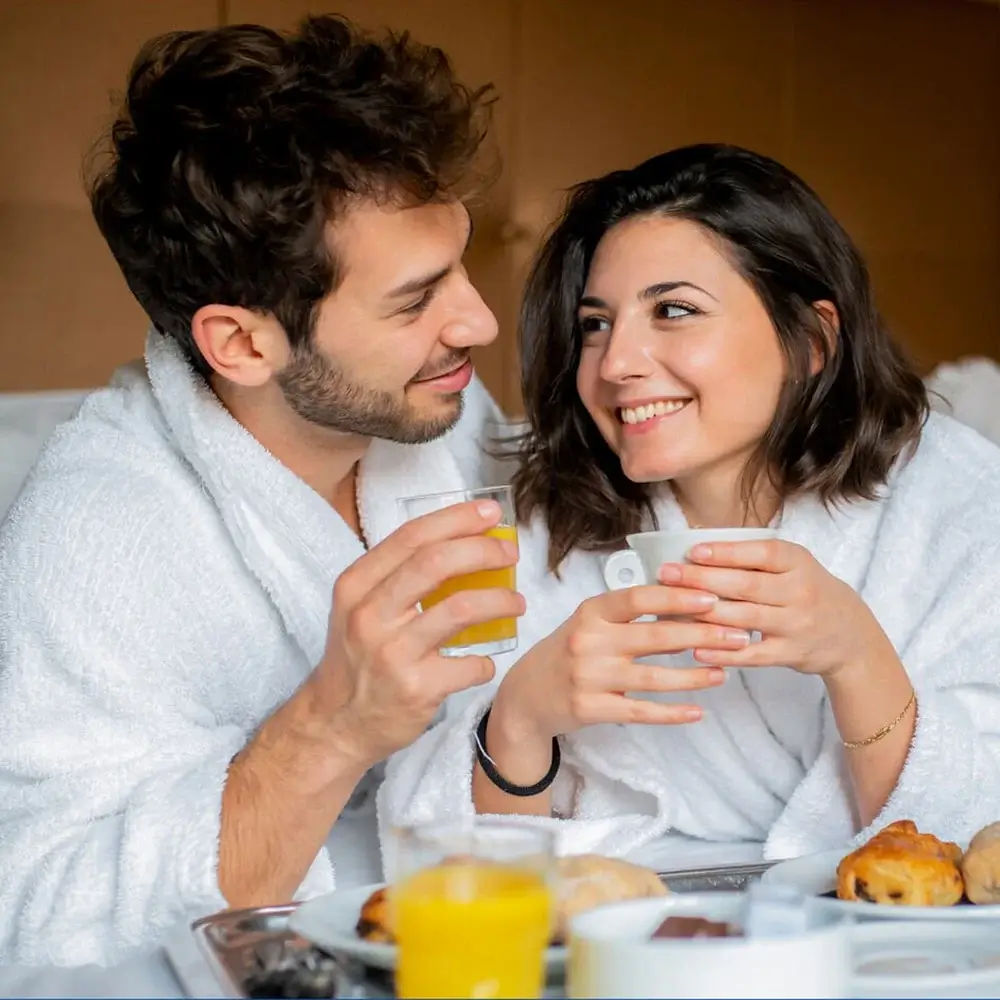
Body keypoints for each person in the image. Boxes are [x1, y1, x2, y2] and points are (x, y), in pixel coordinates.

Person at [0, 15, 530, 967]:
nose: (480, 322)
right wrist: (332, 724)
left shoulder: (427, 414)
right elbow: (40, 921)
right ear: (241, 344)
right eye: (415, 299)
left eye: (460, 265)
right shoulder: (96, 539)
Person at [382, 143, 1000, 865]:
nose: (615, 364)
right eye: (595, 323)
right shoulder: (538, 524)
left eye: (673, 311)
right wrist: (519, 720)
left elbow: (973, 841)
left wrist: (857, 656)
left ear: (810, 340)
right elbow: (456, 864)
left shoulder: (956, 506)